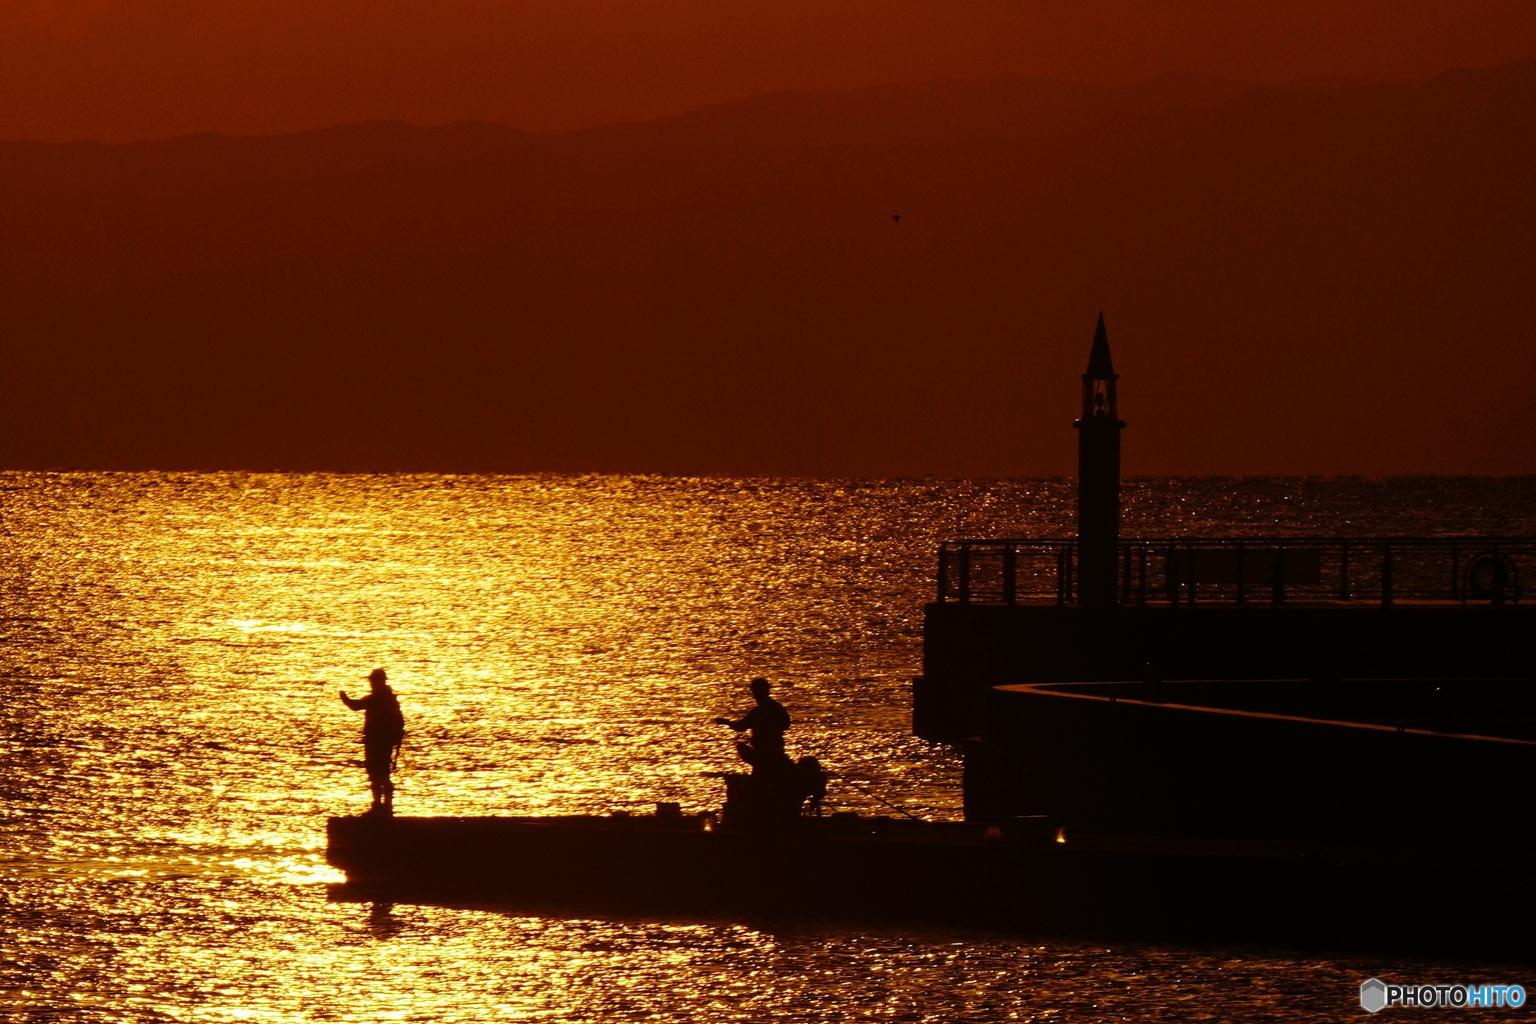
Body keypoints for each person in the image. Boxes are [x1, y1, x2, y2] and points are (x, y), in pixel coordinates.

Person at [340, 668, 405, 814]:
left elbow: (355, 706)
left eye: (372, 681)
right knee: (382, 773)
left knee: (377, 774)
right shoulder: (390, 699)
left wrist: (343, 698)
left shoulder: (375, 699)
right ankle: (386, 806)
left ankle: (379, 805)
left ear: (378, 682)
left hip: (377, 742)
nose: (370, 684)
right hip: (384, 742)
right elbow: (400, 723)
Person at [715, 677, 791, 773]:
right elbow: (786, 725)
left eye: (755, 693)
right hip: (777, 750)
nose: (754, 696)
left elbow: (741, 726)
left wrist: (726, 722)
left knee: (741, 747)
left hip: (763, 752)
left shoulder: (759, 712)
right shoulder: (777, 708)